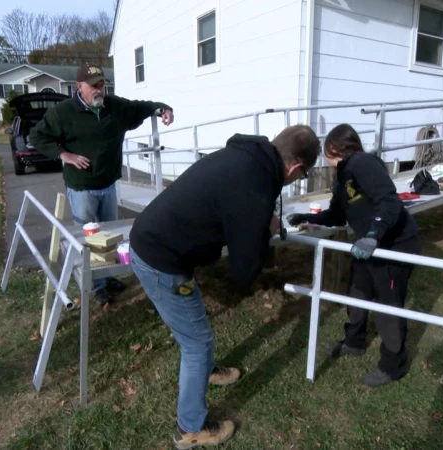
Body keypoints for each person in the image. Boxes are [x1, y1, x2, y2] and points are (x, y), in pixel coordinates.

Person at [128, 125, 320, 449]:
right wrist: (263, 229)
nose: (294, 182)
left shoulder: (245, 156)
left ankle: (205, 371)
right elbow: (244, 270)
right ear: (295, 167)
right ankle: (189, 429)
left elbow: (229, 204)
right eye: (299, 178)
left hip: (157, 241)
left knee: (194, 328)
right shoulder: (256, 185)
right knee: (197, 343)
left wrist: (258, 219)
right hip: (160, 259)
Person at [288, 123, 422, 388]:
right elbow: (338, 214)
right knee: (358, 293)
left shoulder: (363, 163)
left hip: (394, 246)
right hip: (367, 246)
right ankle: (354, 341)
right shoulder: (343, 176)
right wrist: (307, 217)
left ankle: (393, 365)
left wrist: (373, 234)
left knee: (387, 306)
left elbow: (389, 201)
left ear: (333, 149)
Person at [30, 62, 174, 305]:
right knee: (91, 237)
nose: (100, 90)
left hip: (108, 184)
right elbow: (37, 136)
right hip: (81, 188)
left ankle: (106, 277)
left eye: (103, 84)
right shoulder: (63, 112)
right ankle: (96, 286)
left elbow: (141, 108)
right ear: (79, 87)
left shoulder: (115, 107)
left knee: (108, 234)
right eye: (94, 86)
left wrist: (163, 109)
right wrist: (64, 155)